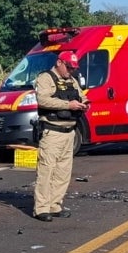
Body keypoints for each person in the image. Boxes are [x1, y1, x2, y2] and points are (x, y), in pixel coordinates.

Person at [33, 50, 88, 222]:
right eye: (68, 67)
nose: (71, 71)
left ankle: (55, 205)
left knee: (63, 172)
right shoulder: (46, 78)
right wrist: (67, 105)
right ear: (59, 63)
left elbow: (82, 95)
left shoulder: (71, 80)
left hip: (69, 132)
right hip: (52, 131)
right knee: (47, 171)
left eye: (73, 68)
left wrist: (84, 104)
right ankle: (41, 208)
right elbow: (43, 100)